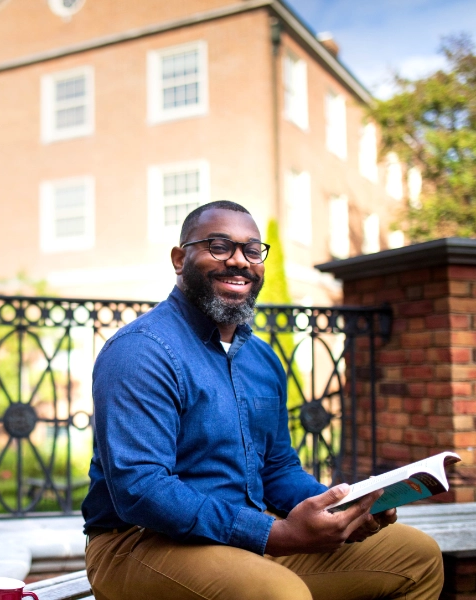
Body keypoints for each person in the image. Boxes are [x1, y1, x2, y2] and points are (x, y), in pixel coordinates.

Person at [82, 201, 443, 600]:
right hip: (137, 543)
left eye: (252, 251)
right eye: (219, 246)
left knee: (417, 556)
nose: (239, 261)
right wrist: (274, 534)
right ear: (180, 258)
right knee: (278, 594)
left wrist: (341, 509)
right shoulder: (141, 352)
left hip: (246, 534)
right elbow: (141, 489)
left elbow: (277, 468)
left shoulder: (262, 359)